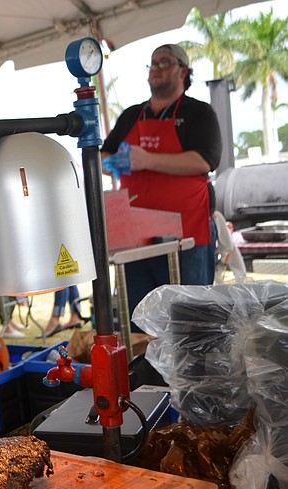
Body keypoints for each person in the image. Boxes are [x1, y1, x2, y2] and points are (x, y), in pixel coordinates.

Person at [101, 44, 222, 332]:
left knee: (191, 319)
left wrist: (147, 159)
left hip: (187, 234)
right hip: (136, 236)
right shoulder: (131, 115)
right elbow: (103, 157)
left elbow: (204, 160)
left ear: (183, 70)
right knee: (140, 318)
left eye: (165, 62)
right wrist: (114, 162)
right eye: (153, 63)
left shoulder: (199, 113)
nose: (156, 68)